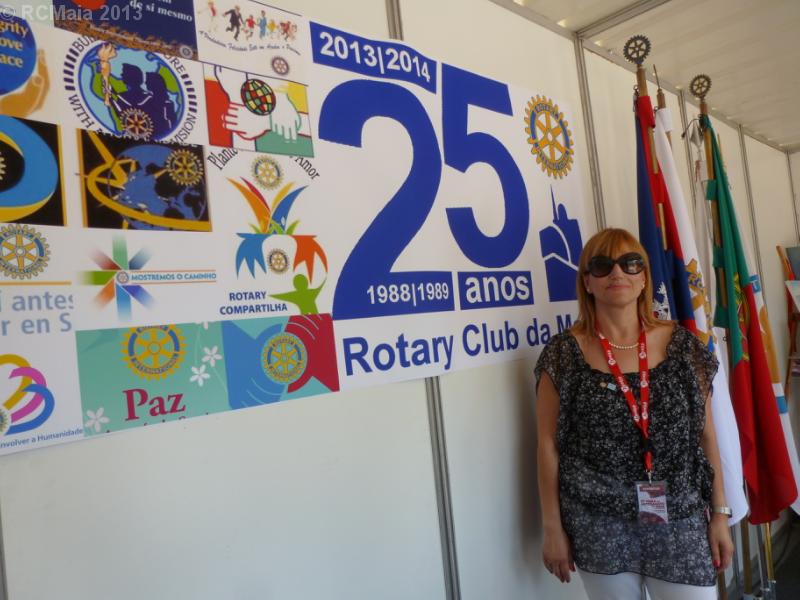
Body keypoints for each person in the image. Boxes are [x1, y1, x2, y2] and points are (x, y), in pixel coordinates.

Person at [534, 228, 734, 600]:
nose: (617, 273)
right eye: (602, 265)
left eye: (630, 263)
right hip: (598, 521)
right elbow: (548, 445)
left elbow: (707, 435)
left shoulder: (683, 346)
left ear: (643, 279)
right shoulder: (563, 355)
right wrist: (552, 529)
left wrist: (720, 513)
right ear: (587, 282)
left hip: (680, 515)